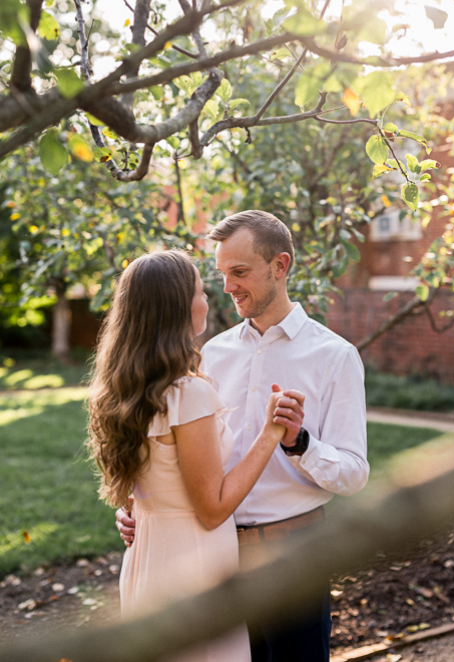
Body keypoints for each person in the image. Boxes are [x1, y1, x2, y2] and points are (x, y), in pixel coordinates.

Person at [117, 211, 370, 662]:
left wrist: (300, 443)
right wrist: (144, 508)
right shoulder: (211, 354)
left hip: (293, 554)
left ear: (280, 265)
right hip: (214, 556)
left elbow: (354, 475)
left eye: (240, 272)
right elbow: (176, 451)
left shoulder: (335, 356)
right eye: (221, 274)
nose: (228, 286)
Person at [88, 250, 303, 662]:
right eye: (201, 291)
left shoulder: (124, 389)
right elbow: (212, 508)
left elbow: (144, 488)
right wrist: (271, 432)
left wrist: (135, 513)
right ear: (180, 307)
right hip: (193, 568)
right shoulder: (187, 392)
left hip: (146, 561)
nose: (209, 298)